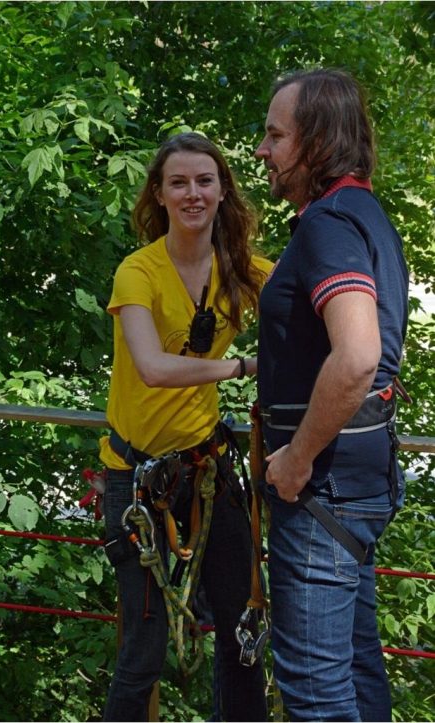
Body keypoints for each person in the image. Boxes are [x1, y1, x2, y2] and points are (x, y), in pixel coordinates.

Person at [99, 132, 271, 721]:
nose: (193, 193)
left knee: (242, 634)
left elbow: (321, 295)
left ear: (223, 191)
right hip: (137, 477)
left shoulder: (242, 270)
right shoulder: (138, 271)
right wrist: (245, 366)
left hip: (205, 470)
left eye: (205, 181)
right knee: (143, 653)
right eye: (179, 182)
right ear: (160, 193)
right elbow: (150, 366)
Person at [255, 68, 408, 721]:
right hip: (355, 485)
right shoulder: (364, 214)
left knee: (317, 693)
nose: (262, 150)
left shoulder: (329, 223)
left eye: (275, 135)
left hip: (321, 494)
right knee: (354, 673)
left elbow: (357, 357)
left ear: (315, 142)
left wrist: (295, 460)